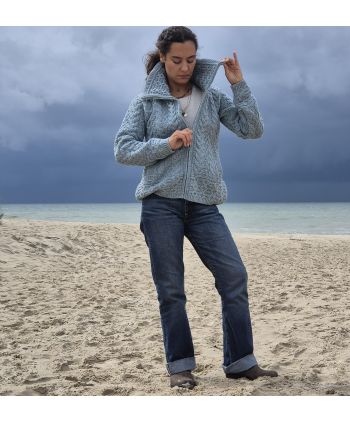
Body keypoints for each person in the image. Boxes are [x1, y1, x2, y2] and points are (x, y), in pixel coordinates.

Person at [114, 26, 278, 389]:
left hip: (204, 205)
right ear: (162, 59)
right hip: (160, 205)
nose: (185, 67)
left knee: (234, 276)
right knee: (171, 289)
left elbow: (252, 130)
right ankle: (181, 367)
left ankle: (240, 361)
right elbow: (123, 150)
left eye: (190, 59)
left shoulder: (214, 97)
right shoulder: (144, 103)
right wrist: (166, 144)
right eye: (176, 60)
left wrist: (239, 84)